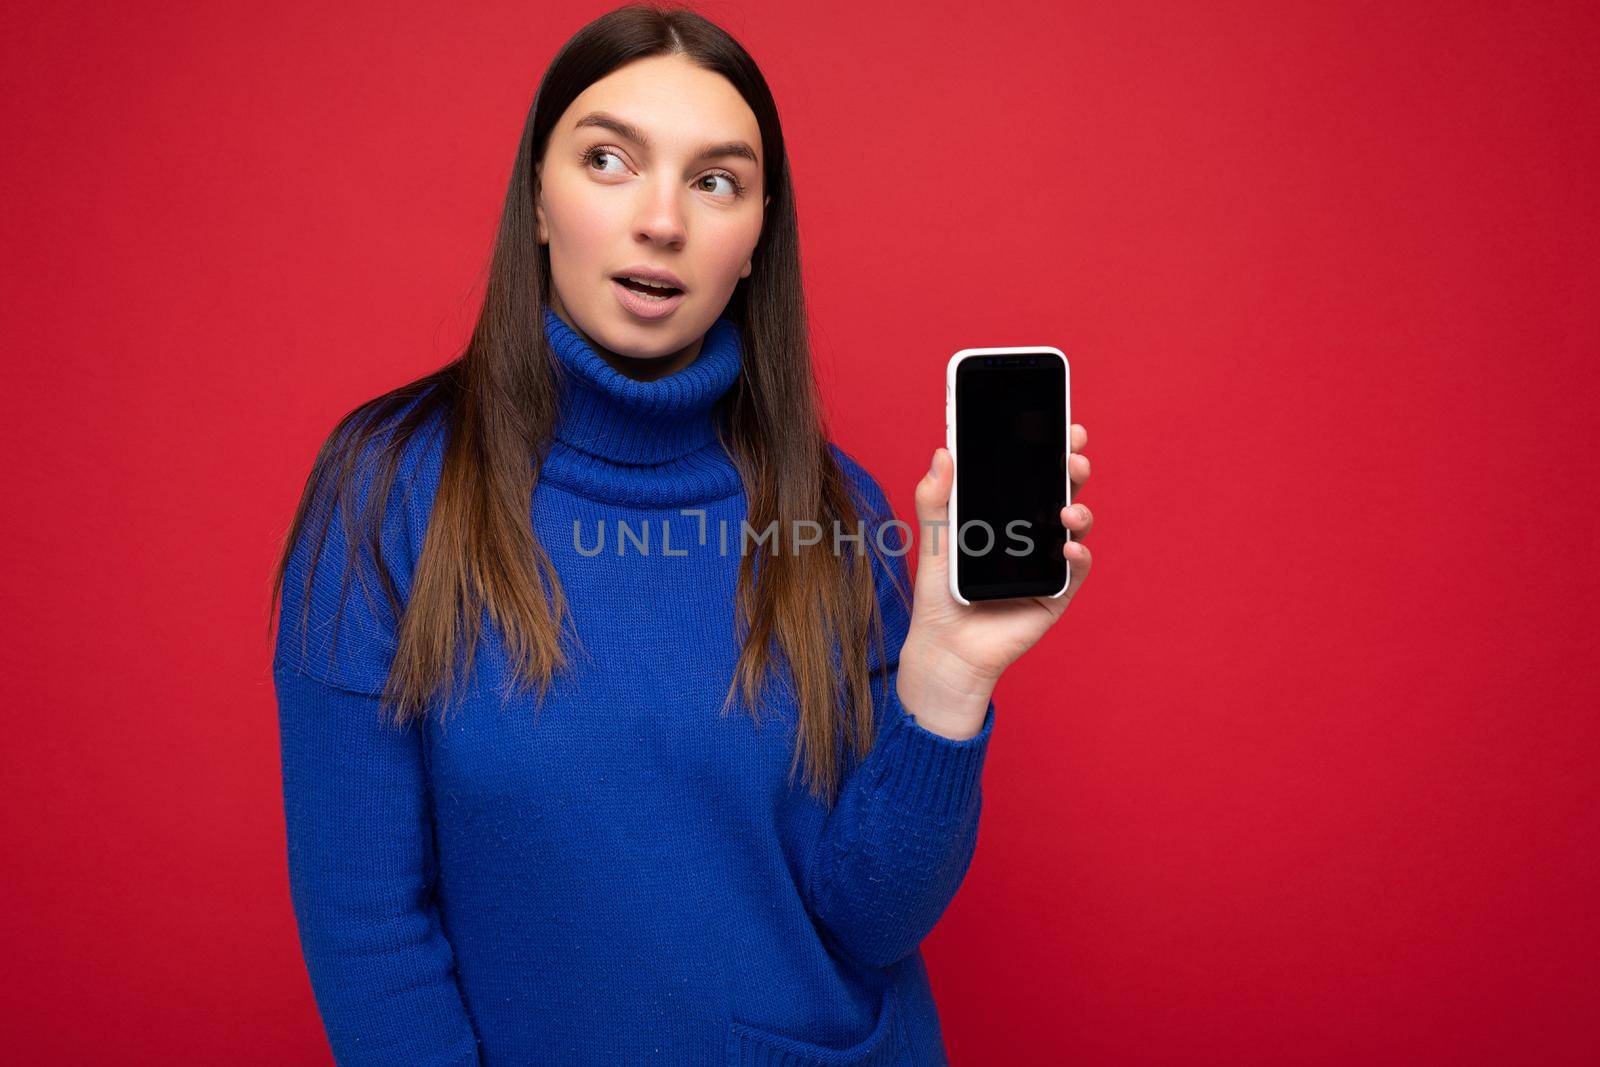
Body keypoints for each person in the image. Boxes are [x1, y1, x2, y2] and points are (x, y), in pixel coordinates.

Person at [268, 5, 1096, 1064]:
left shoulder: (836, 512)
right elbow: (367, 929)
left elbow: (873, 919)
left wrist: (946, 673)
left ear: (755, 241)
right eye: (609, 159)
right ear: (535, 197)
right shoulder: (384, 487)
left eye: (716, 181)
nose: (662, 220)